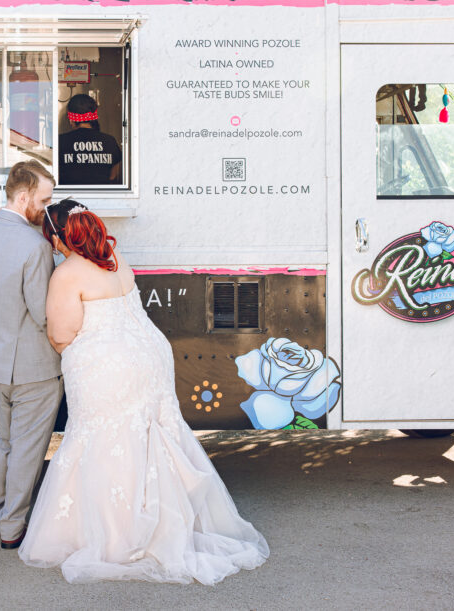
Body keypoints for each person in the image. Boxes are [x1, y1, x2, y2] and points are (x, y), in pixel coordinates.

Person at [18, 199, 269, 584]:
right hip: (150, 356)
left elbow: (60, 334)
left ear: (59, 236)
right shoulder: (114, 256)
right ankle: (164, 525)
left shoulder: (67, 273)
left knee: (103, 439)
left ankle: (118, 537)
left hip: (108, 366)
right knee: (150, 437)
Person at [0, 159, 63, 550]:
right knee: (27, 448)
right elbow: (43, 315)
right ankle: (12, 527)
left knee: (3, 440)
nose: (46, 208)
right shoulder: (35, 246)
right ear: (23, 197)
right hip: (32, 366)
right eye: (43, 199)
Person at [57, 94, 123, 186]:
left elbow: (56, 177)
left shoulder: (60, 141)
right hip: (101, 196)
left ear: (71, 120)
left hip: (69, 197)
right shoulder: (109, 141)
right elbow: (112, 176)